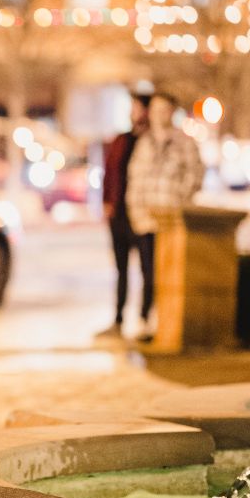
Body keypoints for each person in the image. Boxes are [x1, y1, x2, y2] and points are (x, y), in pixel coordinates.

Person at [126, 90, 205, 342]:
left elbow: (194, 176)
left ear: (172, 111)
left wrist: (179, 204)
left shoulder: (184, 142)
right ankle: (145, 318)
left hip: (173, 221)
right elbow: (134, 180)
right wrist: (136, 212)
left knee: (169, 272)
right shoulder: (144, 142)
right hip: (147, 218)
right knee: (147, 271)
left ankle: (168, 320)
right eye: (155, 109)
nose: (159, 114)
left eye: (164, 109)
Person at [96, 92, 151, 341]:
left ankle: (144, 319)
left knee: (147, 269)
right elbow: (109, 172)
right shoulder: (122, 139)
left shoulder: (151, 141)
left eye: (136, 107)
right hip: (119, 214)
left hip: (143, 213)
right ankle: (118, 319)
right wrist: (107, 202)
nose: (132, 112)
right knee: (121, 269)